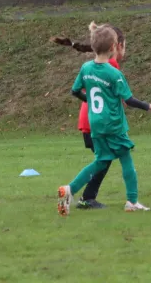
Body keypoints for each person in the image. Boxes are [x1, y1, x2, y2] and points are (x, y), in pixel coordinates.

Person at [57, 24, 151, 216]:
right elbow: (129, 100)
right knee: (125, 157)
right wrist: (150, 107)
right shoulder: (114, 74)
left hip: (95, 123)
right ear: (114, 46)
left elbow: (74, 91)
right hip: (113, 123)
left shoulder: (86, 67)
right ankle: (132, 201)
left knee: (100, 161)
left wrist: (88, 99)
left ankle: (70, 190)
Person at [51, 22, 125, 209]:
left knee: (104, 160)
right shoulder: (112, 65)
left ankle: (84, 196)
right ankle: (76, 192)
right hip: (99, 122)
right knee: (104, 160)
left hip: (89, 118)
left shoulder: (94, 64)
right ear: (116, 46)